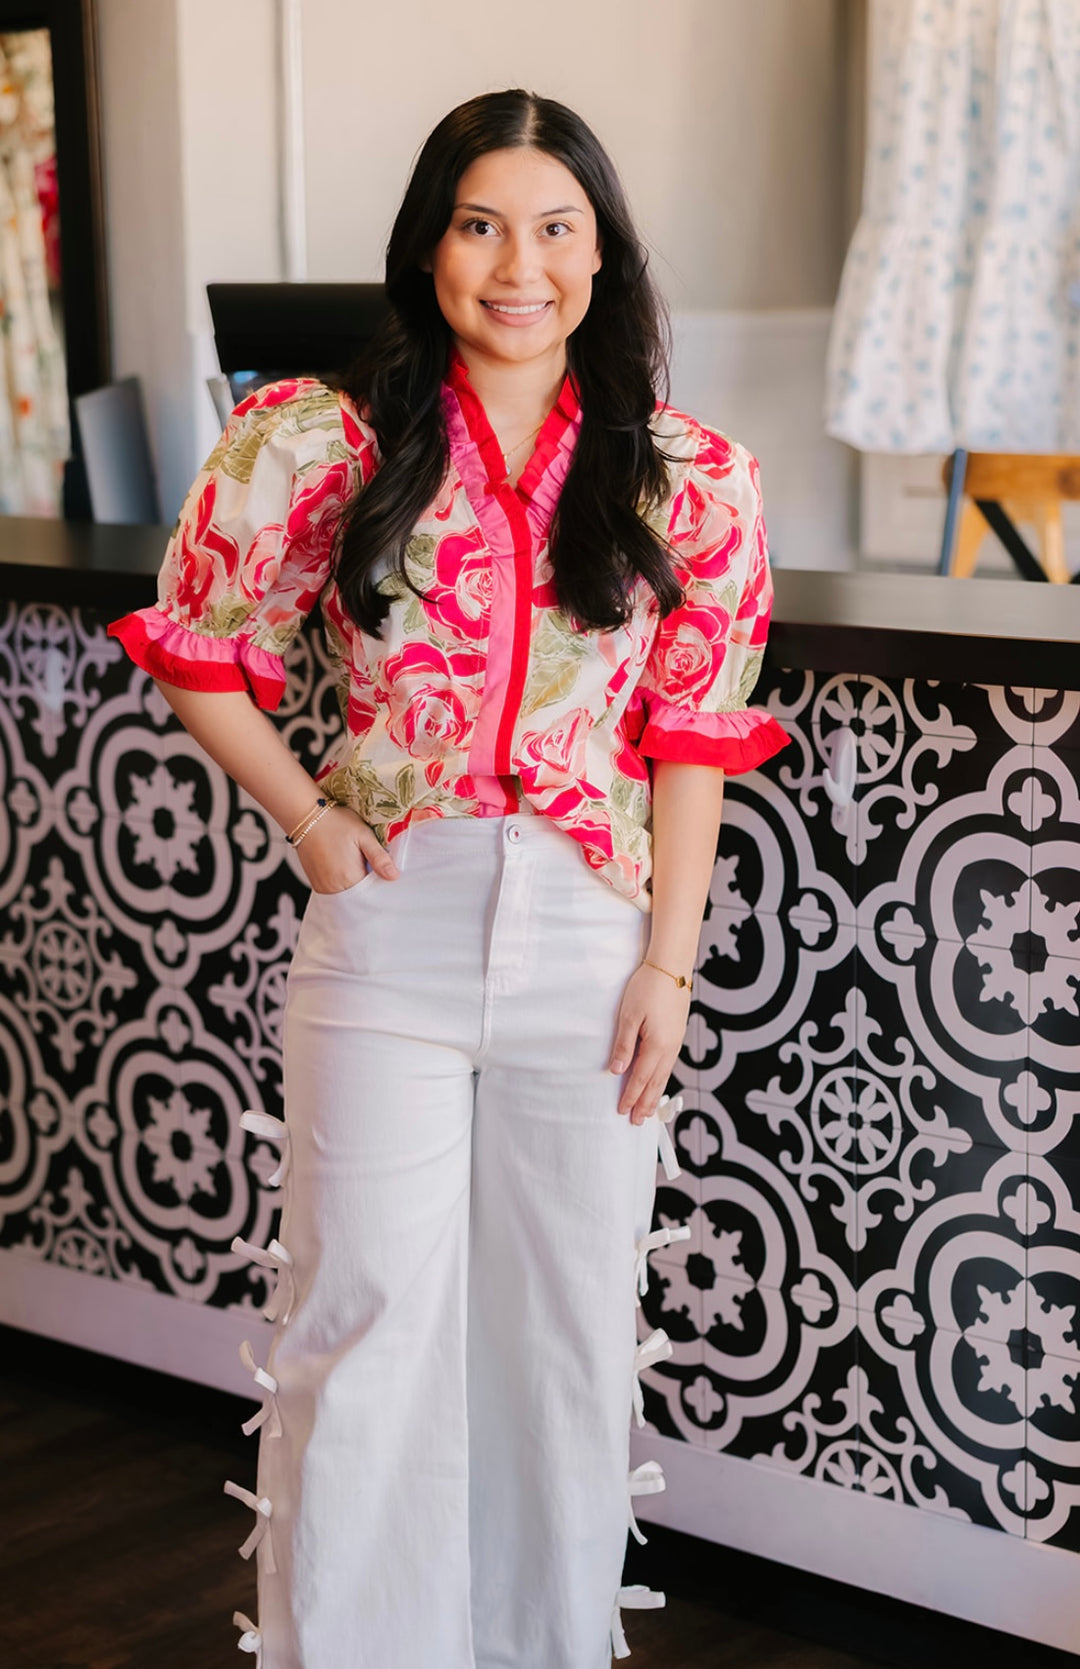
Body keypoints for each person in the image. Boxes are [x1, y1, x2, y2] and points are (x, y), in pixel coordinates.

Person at [108, 88, 788, 1669]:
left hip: (591, 934)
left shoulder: (688, 478)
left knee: (563, 1350)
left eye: (557, 228)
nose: (518, 264)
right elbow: (200, 649)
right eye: (483, 224)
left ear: (602, 256)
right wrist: (304, 816)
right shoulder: (318, 440)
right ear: (428, 248)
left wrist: (666, 965)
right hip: (388, 927)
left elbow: (691, 738)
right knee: (361, 1335)